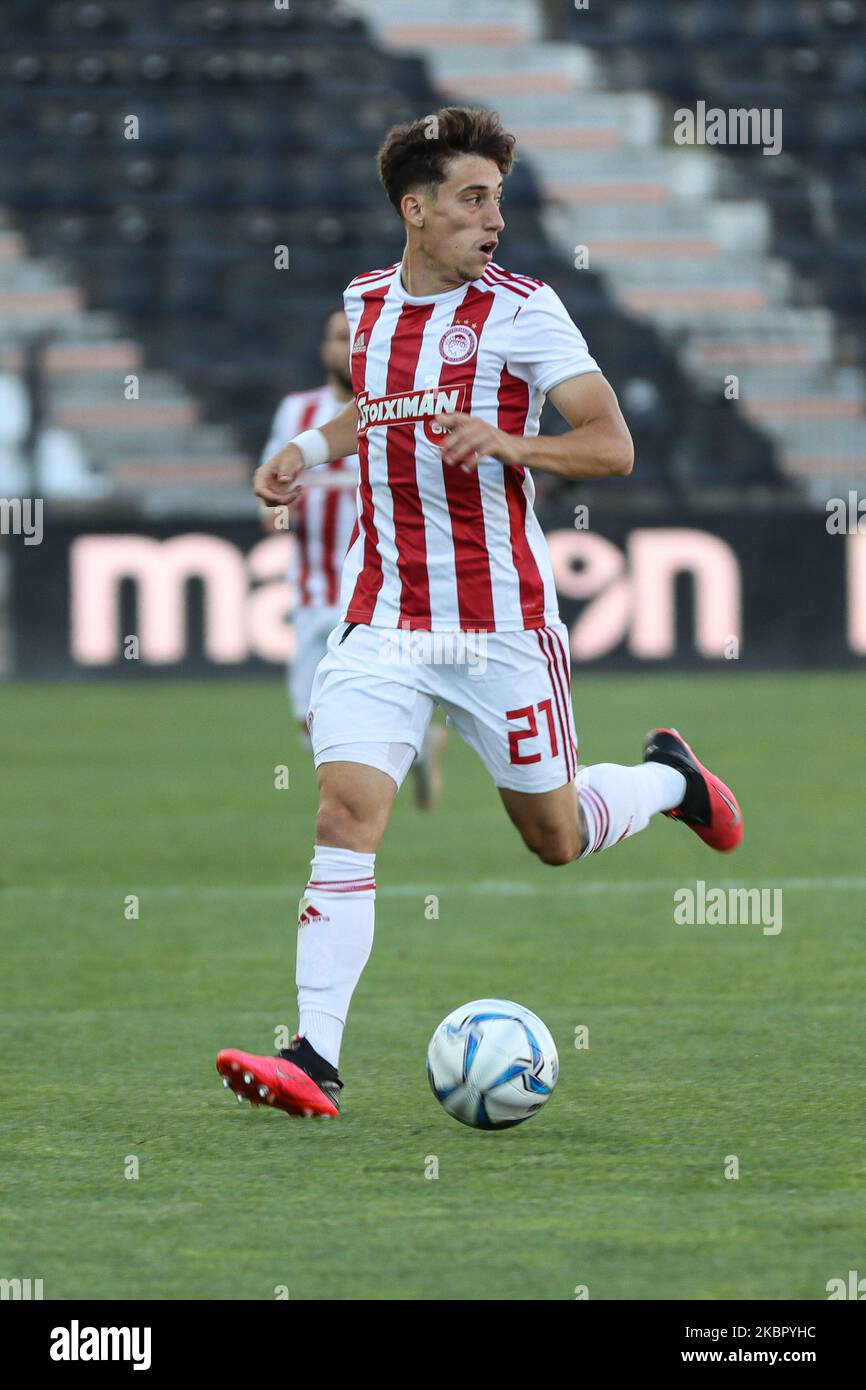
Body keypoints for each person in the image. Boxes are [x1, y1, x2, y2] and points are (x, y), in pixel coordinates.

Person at [217, 106, 743, 1119]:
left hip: (501, 627)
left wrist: (513, 446)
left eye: (496, 198)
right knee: (343, 811)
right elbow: (373, 408)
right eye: (471, 199)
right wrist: (305, 455)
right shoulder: (366, 302)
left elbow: (610, 444)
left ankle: (665, 784)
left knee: (551, 837)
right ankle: (313, 1056)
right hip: (383, 621)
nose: (492, 217)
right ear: (414, 211)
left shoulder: (523, 312)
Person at [263, 309, 447, 804]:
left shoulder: (399, 407)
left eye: (354, 338)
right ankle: (413, 748)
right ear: (324, 349)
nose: (346, 347)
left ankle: (365, 799)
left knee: (377, 693)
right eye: (338, 338)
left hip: (383, 590)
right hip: (314, 590)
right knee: (310, 721)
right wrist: (277, 510)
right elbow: (269, 508)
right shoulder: (296, 414)